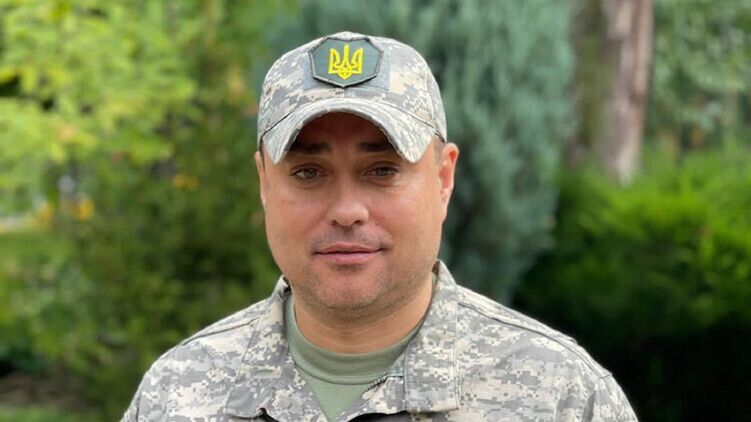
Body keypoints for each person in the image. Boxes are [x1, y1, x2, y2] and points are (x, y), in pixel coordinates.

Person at [122, 31, 637, 421]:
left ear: (443, 179)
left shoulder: (562, 398)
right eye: (308, 172)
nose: (347, 210)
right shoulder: (177, 396)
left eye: (383, 170)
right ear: (263, 182)